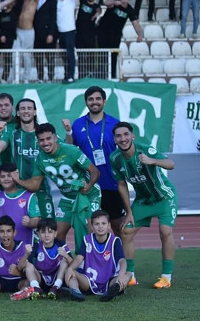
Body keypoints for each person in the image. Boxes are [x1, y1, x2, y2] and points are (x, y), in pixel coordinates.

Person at [111, 122, 178, 289]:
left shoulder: (145, 149)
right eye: (119, 136)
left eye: (126, 134)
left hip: (164, 197)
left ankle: (166, 277)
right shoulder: (115, 158)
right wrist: (129, 212)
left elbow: (171, 164)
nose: (123, 138)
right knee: (126, 231)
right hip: (143, 200)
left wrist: (152, 161)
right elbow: (121, 185)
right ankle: (131, 276)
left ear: (132, 136)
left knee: (165, 231)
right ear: (115, 139)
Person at [62, 86, 125, 233]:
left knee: (118, 228)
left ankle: (118, 256)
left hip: (112, 183)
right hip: (89, 186)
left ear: (104, 101)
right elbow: (69, 149)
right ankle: (92, 256)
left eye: (98, 99)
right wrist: (68, 132)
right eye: (90, 99)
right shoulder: (77, 124)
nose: (94, 102)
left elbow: (124, 149)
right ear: (86, 102)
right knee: (91, 228)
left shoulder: (115, 123)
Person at [31, 123, 101, 252]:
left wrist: (89, 185)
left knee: (91, 231)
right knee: (57, 234)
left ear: (55, 138)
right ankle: (65, 262)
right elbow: (35, 184)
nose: (45, 143)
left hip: (88, 195)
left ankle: (95, 265)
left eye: (48, 138)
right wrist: (16, 179)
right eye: (41, 140)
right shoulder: (40, 158)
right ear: (38, 141)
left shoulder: (71, 150)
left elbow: (95, 171)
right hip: (67, 198)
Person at [64, 210, 130, 302]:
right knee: (71, 272)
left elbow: (122, 260)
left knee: (128, 274)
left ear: (109, 225)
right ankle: (76, 292)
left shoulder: (115, 241)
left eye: (103, 223)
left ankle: (112, 291)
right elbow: (79, 258)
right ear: (92, 227)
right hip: (88, 281)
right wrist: (70, 269)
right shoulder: (87, 240)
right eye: (97, 224)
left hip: (109, 281)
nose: (100, 226)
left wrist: (121, 275)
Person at [24, 218, 72, 299]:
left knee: (65, 261)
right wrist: (26, 254)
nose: (46, 235)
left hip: (57, 277)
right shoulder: (36, 246)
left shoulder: (61, 245)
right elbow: (23, 266)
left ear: (55, 234)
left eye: (50, 232)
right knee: (28, 265)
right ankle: (36, 288)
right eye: (43, 232)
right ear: (38, 234)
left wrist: (66, 255)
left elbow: (73, 264)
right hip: (41, 279)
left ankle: (56, 287)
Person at [0, 163, 40, 245]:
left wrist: (30, 222)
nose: (6, 179)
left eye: (9, 176)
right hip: (2, 247)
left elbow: (37, 221)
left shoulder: (28, 196)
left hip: (25, 246)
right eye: (2, 177)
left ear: (15, 177)